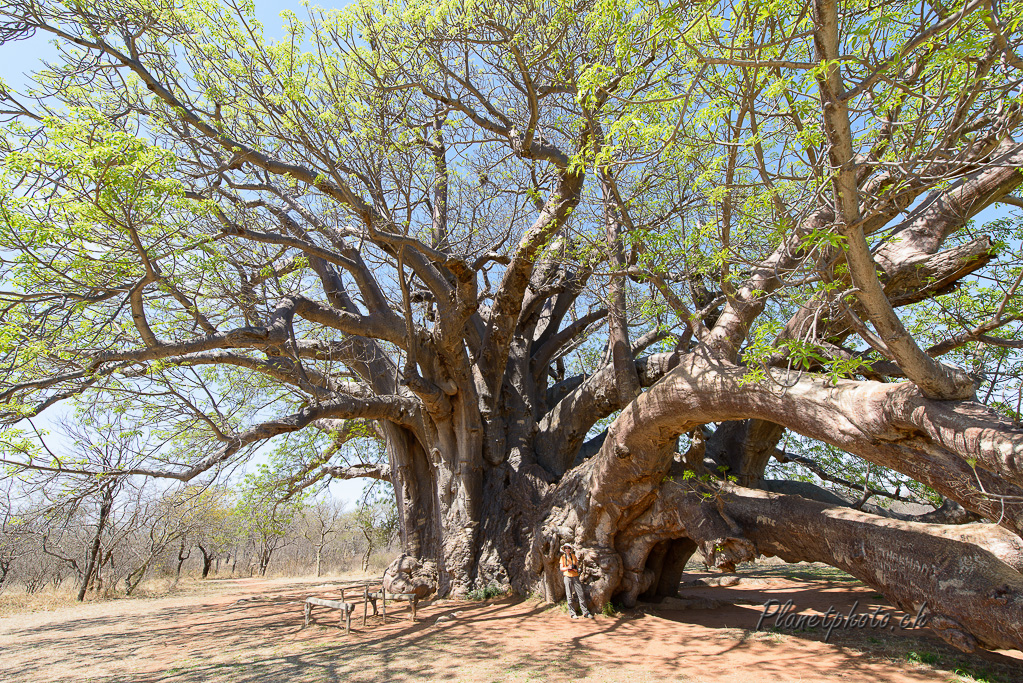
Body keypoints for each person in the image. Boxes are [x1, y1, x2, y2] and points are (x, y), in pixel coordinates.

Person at [559, 542, 593, 619]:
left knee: (580, 593)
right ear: (564, 549)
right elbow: (561, 568)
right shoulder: (563, 557)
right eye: (566, 548)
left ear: (570, 549)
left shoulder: (573, 556)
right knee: (569, 595)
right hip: (567, 577)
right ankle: (572, 613)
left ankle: (585, 612)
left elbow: (577, 567)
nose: (567, 549)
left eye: (568, 548)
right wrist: (568, 567)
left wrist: (575, 569)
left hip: (575, 576)